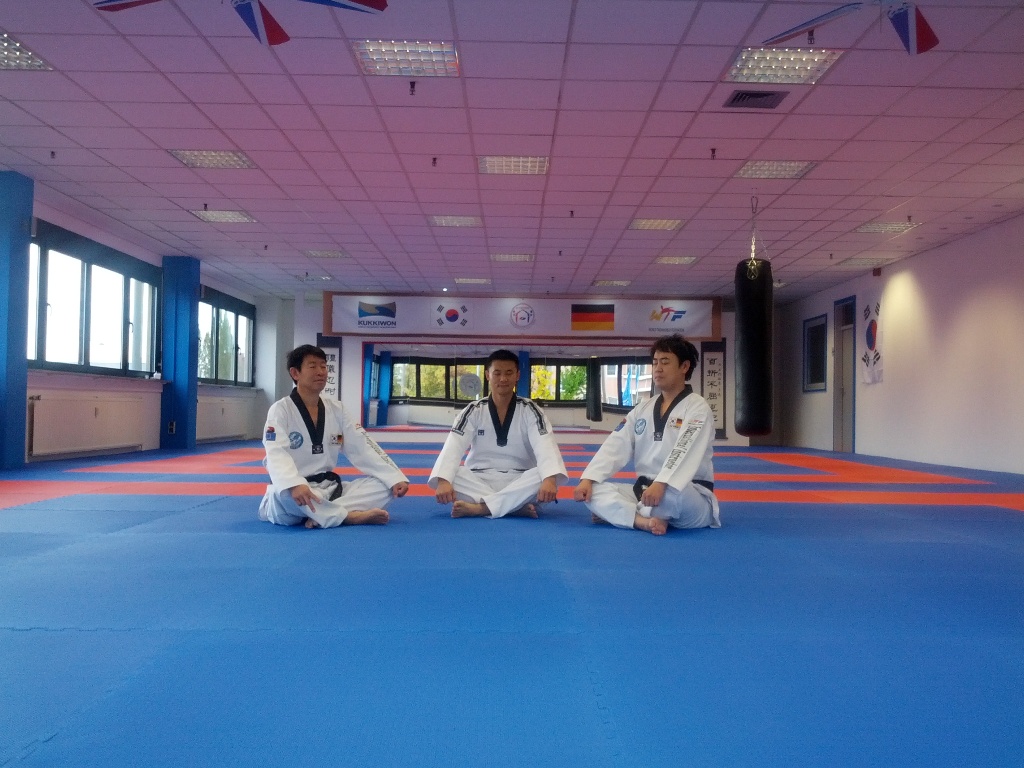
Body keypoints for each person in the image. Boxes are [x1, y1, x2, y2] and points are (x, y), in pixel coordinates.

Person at [573, 334, 720, 536]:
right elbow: (616, 443)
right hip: (645, 491)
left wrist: (662, 483)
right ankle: (642, 521)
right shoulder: (643, 408)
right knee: (594, 492)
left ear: (684, 367)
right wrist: (589, 478)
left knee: (672, 494)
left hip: (688, 494)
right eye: (655, 362)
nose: (658, 368)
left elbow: (685, 449)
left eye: (665, 362)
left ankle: (623, 514)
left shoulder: (697, 407)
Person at [259, 344, 409, 528]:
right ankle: (348, 516)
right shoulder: (281, 410)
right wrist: (294, 484)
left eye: (323, 366)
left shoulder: (337, 409)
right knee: (281, 493)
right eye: (312, 366)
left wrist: (394, 476)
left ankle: (325, 514)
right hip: (296, 491)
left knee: (385, 486)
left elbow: (362, 444)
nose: (320, 372)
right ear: (295, 373)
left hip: (328, 488)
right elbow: (275, 452)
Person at [429, 349, 568, 518]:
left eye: (509, 373)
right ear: (488, 375)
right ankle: (514, 506)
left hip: (520, 479)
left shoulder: (531, 410)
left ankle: (482, 508)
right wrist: (444, 480)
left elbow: (544, 444)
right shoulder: (473, 410)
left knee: (544, 475)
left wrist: (549, 479)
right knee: (452, 474)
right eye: (497, 373)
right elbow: (454, 444)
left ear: (517, 375)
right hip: (479, 479)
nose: (503, 379)